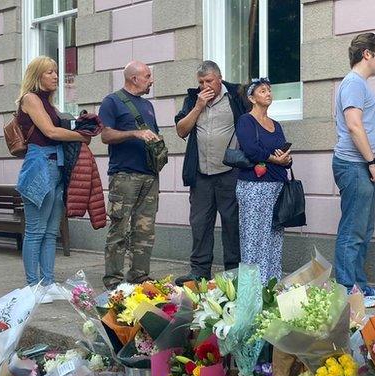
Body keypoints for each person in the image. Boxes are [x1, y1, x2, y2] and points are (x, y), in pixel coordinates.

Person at [15, 56, 90, 302]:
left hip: (55, 163)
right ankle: (32, 286)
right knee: (36, 231)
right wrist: (80, 135)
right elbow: (50, 131)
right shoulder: (30, 99)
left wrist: (81, 127)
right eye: (50, 72)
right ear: (37, 76)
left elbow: (57, 130)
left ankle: (47, 282)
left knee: (50, 232)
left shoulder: (48, 102)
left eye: (56, 72)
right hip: (39, 165)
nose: (56, 76)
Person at [173, 60, 249, 282]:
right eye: (201, 82)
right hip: (201, 174)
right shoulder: (192, 99)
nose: (205, 86)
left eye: (209, 81)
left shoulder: (237, 95)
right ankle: (199, 271)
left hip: (230, 172)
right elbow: (181, 130)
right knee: (200, 223)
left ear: (219, 78)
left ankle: (233, 272)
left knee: (232, 223)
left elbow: (254, 122)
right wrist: (198, 106)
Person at [333, 33, 375, 308]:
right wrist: (371, 162)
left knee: (363, 229)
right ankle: (345, 290)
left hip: (362, 166)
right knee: (353, 229)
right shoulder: (353, 84)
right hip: (355, 166)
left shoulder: (359, 84)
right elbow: (354, 125)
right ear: (366, 54)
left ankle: (359, 286)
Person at [99, 61, 163, 289]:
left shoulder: (148, 106)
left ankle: (139, 276)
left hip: (149, 175)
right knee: (119, 228)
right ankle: (114, 281)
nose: (151, 80)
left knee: (145, 229)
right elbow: (105, 135)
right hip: (124, 176)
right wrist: (135, 133)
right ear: (134, 78)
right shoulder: (112, 101)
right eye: (147, 76)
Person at [234, 78, 292, 282]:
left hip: (277, 186)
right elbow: (250, 150)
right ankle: (252, 288)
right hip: (254, 187)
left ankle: (271, 285)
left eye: (269, 90)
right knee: (253, 238)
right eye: (262, 91)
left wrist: (286, 159)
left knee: (274, 237)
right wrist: (274, 158)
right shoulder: (246, 121)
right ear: (252, 98)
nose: (268, 93)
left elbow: (282, 150)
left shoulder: (275, 125)